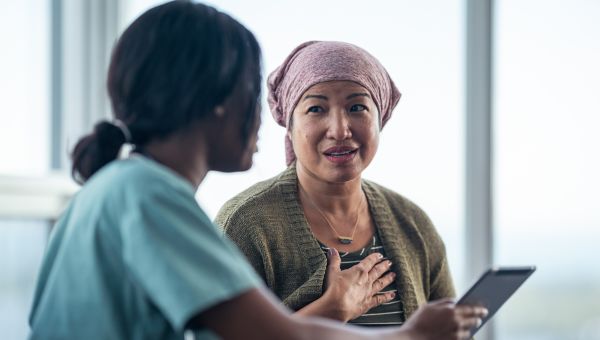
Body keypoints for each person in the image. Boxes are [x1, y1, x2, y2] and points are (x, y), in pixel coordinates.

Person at [28, 2, 486, 339]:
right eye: (253, 88)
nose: (266, 114)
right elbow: (277, 337)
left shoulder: (118, 188)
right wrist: (410, 337)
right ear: (218, 102)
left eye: (357, 107)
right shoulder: (147, 197)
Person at [216, 41, 456, 327]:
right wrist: (331, 311)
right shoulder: (246, 224)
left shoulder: (412, 223)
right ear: (289, 126)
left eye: (357, 107)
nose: (340, 129)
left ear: (381, 120)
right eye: (316, 109)